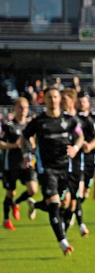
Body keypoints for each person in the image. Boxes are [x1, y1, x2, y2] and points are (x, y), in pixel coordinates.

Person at [22, 88, 84, 256]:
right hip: (46, 169)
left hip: (66, 167)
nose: (53, 100)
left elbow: (80, 136)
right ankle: (63, 242)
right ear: (45, 100)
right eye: (49, 97)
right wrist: (28, 153)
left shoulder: (69, 120)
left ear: (59, 99)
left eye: (55, 96)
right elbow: (25, 136)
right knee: (54, 204)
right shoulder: (39, 121)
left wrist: (76, 148)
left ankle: (35, 205)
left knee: (65, 203)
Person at [1, 98, 39, 230]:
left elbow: (33, 140)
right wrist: (12, 145)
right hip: (11, 164)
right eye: (20, 107)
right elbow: (0, 143)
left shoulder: (30, 124)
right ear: (15, 108)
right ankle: (6, 220)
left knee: (33, 189)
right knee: (10, 192)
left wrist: (33, 144)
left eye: (25, 107)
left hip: (27, 162)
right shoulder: (9, 125)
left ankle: (16, 203)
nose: (23, 110)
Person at [75, 92, 95, 236]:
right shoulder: (73, 118)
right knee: (78, 190)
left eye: (84, 101)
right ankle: (79, 222)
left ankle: (73, 209)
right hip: (76, 158)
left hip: (91, 158)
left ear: (88, 103)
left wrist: (93, 145)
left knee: (86, 193)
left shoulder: (94, 119)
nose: (82, 104)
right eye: (79, 101)